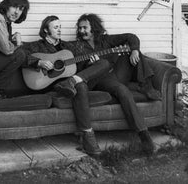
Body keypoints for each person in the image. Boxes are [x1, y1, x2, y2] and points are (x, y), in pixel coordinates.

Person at [22, 15, 111, 155]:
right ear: (46, 30)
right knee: (81, 86)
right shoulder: (36, 46)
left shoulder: (68, 47)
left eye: (60, 27)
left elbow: (79, 65)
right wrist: (38, 62)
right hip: (50, 86)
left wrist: (90, 64)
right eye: (56, 27)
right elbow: (20, 54)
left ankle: (87, 135)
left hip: (70, 85)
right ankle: (88, 137)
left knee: (104, 64)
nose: (59, 30)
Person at [72, 13, 158, 155]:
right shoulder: (78, 46)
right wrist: (90, 64)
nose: (81, 31)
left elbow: (131, 37)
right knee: (122, 90)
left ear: (94, 27)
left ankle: (145, 86)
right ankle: (144, 133)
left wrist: (135, 50)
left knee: (134, 50)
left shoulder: (106, 40)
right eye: (79, 28)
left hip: (113, 73)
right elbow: (78, 71)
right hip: (97, 79)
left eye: (84, 28)